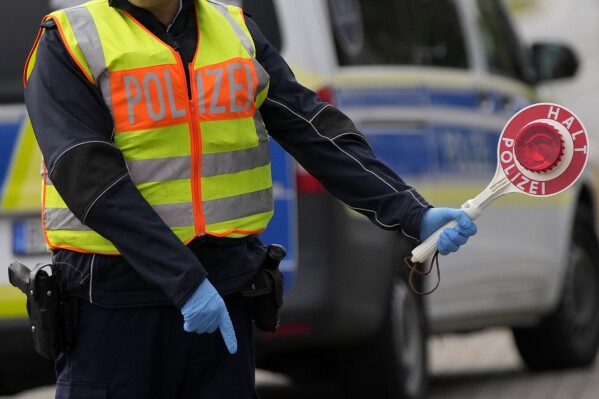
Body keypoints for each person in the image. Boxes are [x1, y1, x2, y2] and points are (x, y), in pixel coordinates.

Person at [23, 0, 477, 397]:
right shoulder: (70, 41)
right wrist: (183, 280)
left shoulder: (236, 31)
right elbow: (86, 175)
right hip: (117, 307)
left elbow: (314, 129)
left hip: (222, 297)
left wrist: (411, 212)